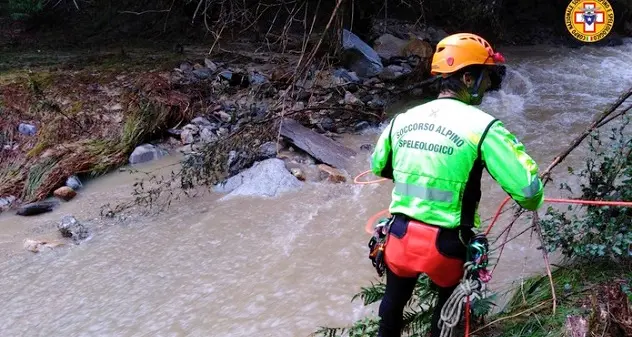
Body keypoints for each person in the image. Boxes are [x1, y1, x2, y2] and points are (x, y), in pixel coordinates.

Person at [369, 33, 545, 337]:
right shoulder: (484, 127)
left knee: (392, 306)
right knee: (445, 319)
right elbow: (529, 192)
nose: (489, 84)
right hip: (447, 246)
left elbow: (379, 166)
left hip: (399, 237)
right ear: (467, 78)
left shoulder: (403, 119)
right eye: (485, 76)